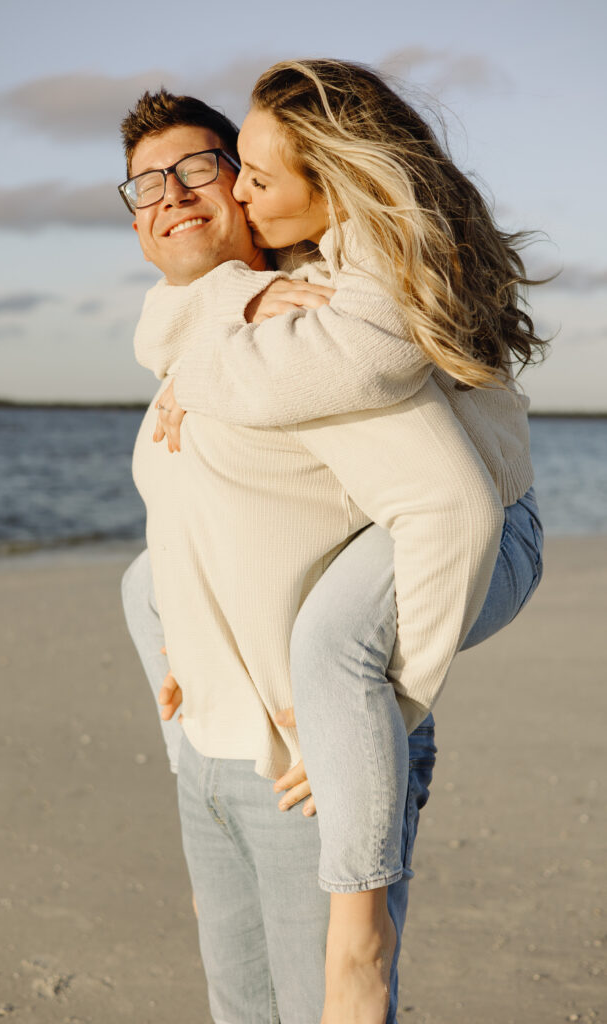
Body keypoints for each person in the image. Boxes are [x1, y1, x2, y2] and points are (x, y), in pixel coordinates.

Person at [119, 65, 543, 1024]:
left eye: (199, 169)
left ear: (246, 187)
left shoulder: (315, 333)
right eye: (147, 184)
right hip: (215, 768)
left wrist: (391, 706)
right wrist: (179, 652)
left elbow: (455, 509)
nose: (172, 195)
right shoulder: (207, 332)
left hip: (304, 770)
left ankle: (363, 937)